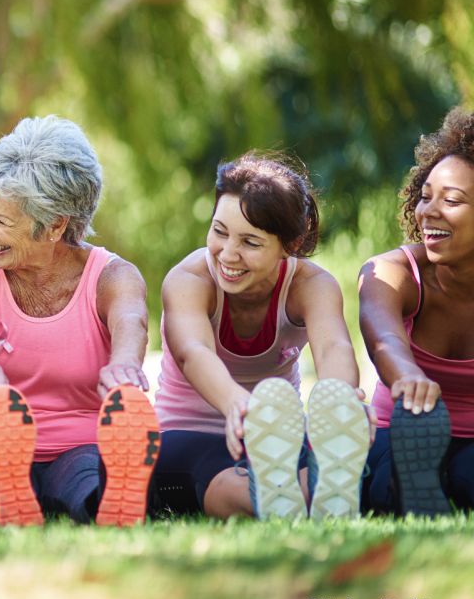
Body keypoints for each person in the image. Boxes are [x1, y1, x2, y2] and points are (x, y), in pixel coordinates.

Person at [0, 116, 158, 528]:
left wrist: (124, 364)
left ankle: (103, 502)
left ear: (56, 225)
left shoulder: (112, 276)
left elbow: (132, 319)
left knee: (86, 476)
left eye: (1, 221)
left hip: (79, 444)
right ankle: (6, 492)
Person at [155, 153, 370, 520]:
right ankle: (295, 494)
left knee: (320, 454)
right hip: (187, 433)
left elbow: (333, 345)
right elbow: (194, 351)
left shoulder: (312, 286)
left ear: (291, 244)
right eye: (219, 232)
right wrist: (237, 404)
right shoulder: (189, 280)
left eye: (250, 243)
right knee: (215, 476)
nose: (228, 253)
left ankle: (302, 487)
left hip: (277, 441)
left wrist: (339, 399)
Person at [361, 107, 474, 516]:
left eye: (452, 200)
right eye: (425, 196)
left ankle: (438, 487)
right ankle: (403, 485)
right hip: (403, 429)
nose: (428, 211)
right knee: (386, 486)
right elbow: (382, 335)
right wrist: (407, 376)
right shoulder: (394, 272)